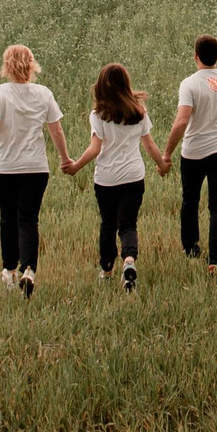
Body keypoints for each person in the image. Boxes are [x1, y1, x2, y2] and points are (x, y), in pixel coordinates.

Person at [0, 43, 66, 298]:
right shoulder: (44, 93)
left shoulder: (1, 92)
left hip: (5, 168)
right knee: (29, 220)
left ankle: (9, 270)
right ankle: (29, 269)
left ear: (7, 66)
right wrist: (65, 158)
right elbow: (56, 130)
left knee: (8, 219)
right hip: (35, 168)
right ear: (32, 64)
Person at [61, 62, 170, 293]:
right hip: (133, 176)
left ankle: (107, 269)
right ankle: (129, 262)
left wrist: (75, 167)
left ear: (101, 86)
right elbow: (149, 145)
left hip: (106, 179)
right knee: (128, 225)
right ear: (126, 83)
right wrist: (162, 165)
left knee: (108, 224)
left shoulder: (98, 115)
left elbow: (94, 149)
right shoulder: (139, 111)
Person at [161, 34, 217, 286]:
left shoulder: (189, 84)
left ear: (195, 56)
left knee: (190, 201)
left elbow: (181, 122)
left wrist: (166, 153)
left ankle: (191, 249)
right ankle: (215, 261)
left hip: (194, 153)